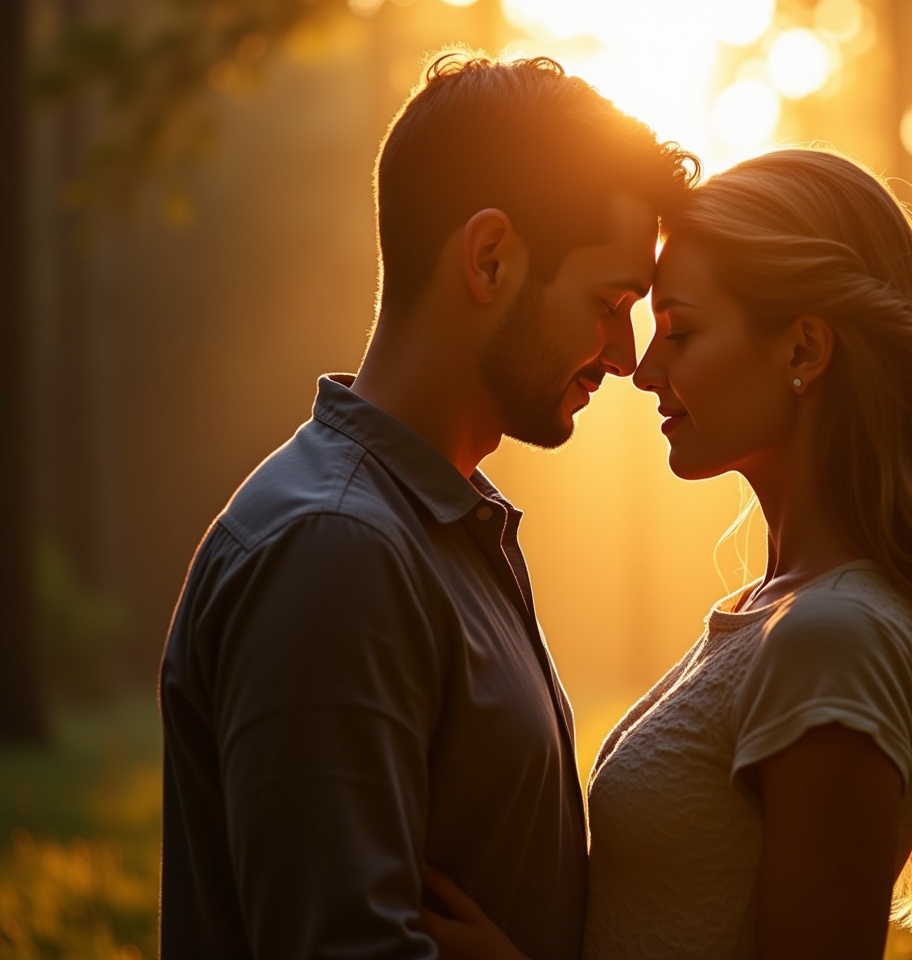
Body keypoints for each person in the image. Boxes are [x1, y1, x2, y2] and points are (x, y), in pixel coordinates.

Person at [158, 52, 698, 960]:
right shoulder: (333, 550)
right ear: (490, 258)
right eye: (611, 302)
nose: (622, 354)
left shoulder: (438, 525)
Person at [419, 147, 912, 959]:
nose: (643, 368)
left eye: (683, 331)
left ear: (804, 351)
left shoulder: (834, 638)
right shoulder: (777, 612)